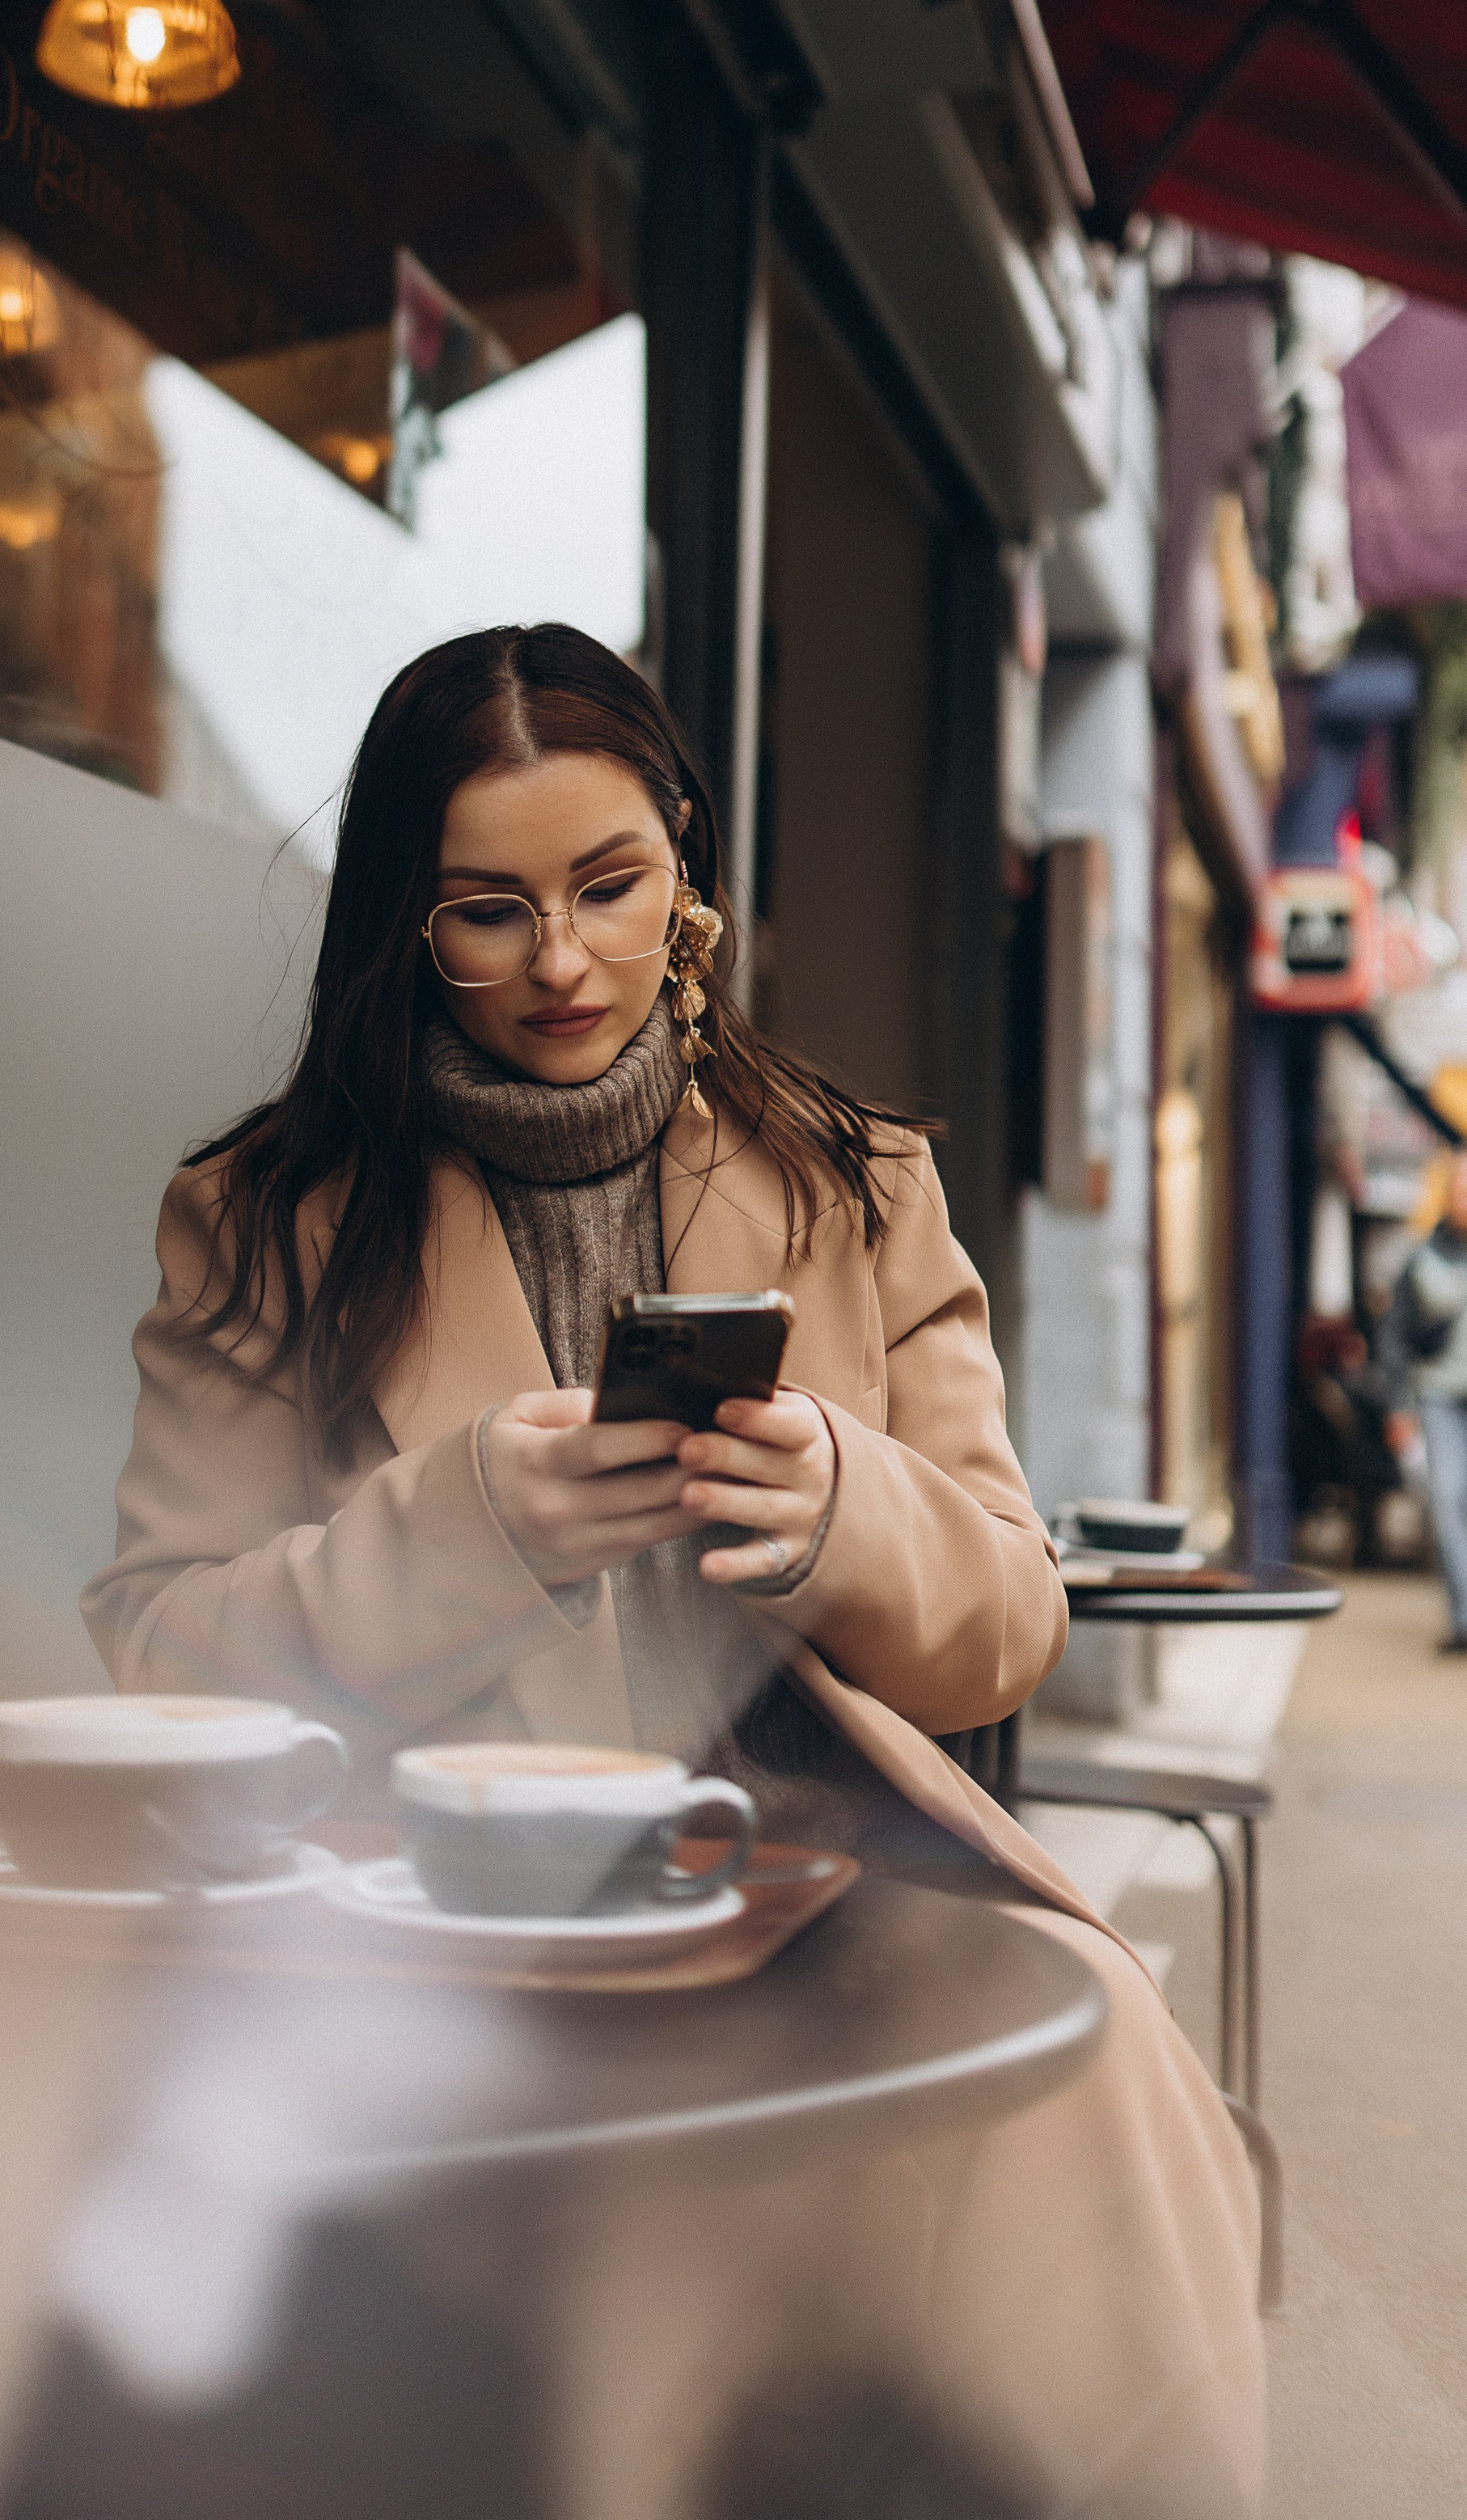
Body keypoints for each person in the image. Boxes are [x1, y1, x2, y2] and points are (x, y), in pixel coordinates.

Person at [86, 624, 1262, 2518]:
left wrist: (831, 1510)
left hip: (807, 1892)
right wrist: (464, 1528)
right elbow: (157, 1651)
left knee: (1085, 2046)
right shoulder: (263, 1221)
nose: (559, 960)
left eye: (607, 886)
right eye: (484, 911)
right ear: (404, 922)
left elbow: (1002, 1615)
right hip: (428, 1923)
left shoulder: (852, 1179)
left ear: (686, 880)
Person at [1382, 1148, 1467, 1652]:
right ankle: (1464, 1617)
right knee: (1445, 1501)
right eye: (1458, 1188)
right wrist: (1399, 1406)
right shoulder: (1421, 1258)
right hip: (1436, 1397)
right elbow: (1393, 1337)